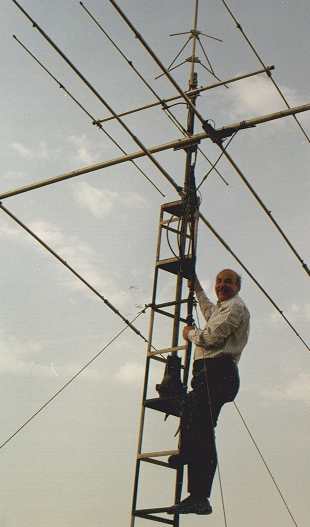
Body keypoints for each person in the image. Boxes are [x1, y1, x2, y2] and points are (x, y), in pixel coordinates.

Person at [168, 269, 250, 515]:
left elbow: (211, 338)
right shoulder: (223, 308)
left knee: (202, 429)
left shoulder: (235, 308)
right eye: (219, 281)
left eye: (228, 282)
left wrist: (189, 334)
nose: (222, 285)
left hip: (219, 372)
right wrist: (198, 290)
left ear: (237, 286)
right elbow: (210, 313)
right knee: (192, 417)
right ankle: (187, 454)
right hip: (207, 374)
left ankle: (200, 497)